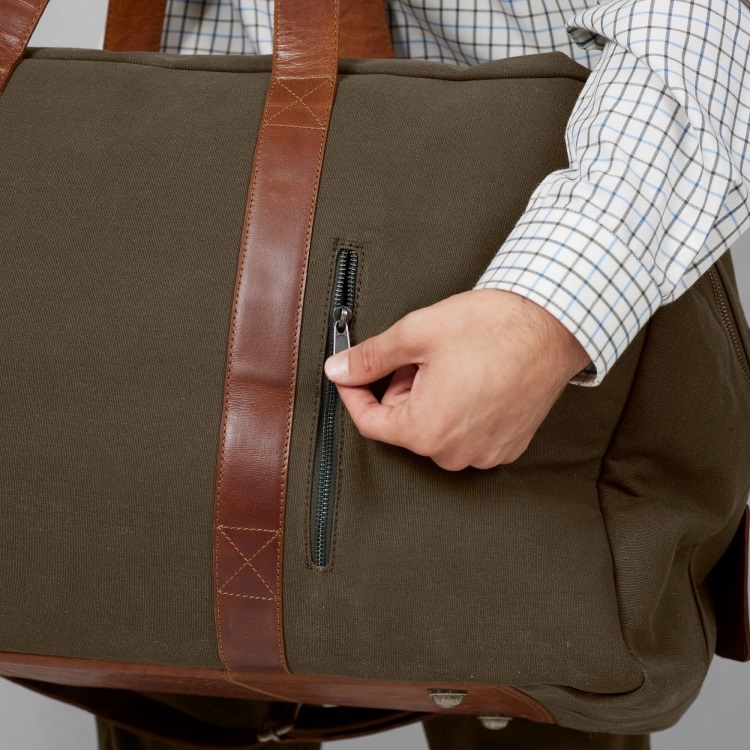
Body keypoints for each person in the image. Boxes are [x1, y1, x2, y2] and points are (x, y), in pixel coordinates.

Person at [95, 0, 750, 748]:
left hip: (510, 293)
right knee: (151, 644)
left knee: (532, 666)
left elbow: (706, 22)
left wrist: (547, 311)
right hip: (154, 282)